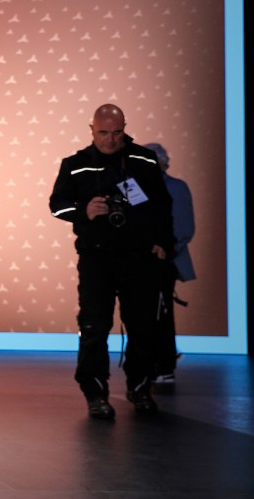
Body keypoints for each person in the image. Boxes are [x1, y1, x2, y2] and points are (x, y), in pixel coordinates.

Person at [49, 104, 174, 419]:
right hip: (97, 258)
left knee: (142, 327)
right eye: (103, 132)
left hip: (139, 257)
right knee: (94, 327)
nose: (110, 139)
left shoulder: (144, 160)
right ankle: (95, 394)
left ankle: (140, 387)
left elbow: (163, 206)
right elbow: (56, 205)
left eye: (117, 132)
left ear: (124, 129)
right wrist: (84, 211)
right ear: (91, 129)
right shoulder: (76, 165)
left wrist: (163, 243)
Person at [141, 142, 195, 384]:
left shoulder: (176, 187)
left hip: (164, 262)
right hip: (138, 262)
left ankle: (164, 365)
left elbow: (184, 228)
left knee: (161, 314)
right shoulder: (132, 188)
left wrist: (165, 249)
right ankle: (147, 363)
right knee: (142, 314)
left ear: (163, 163)